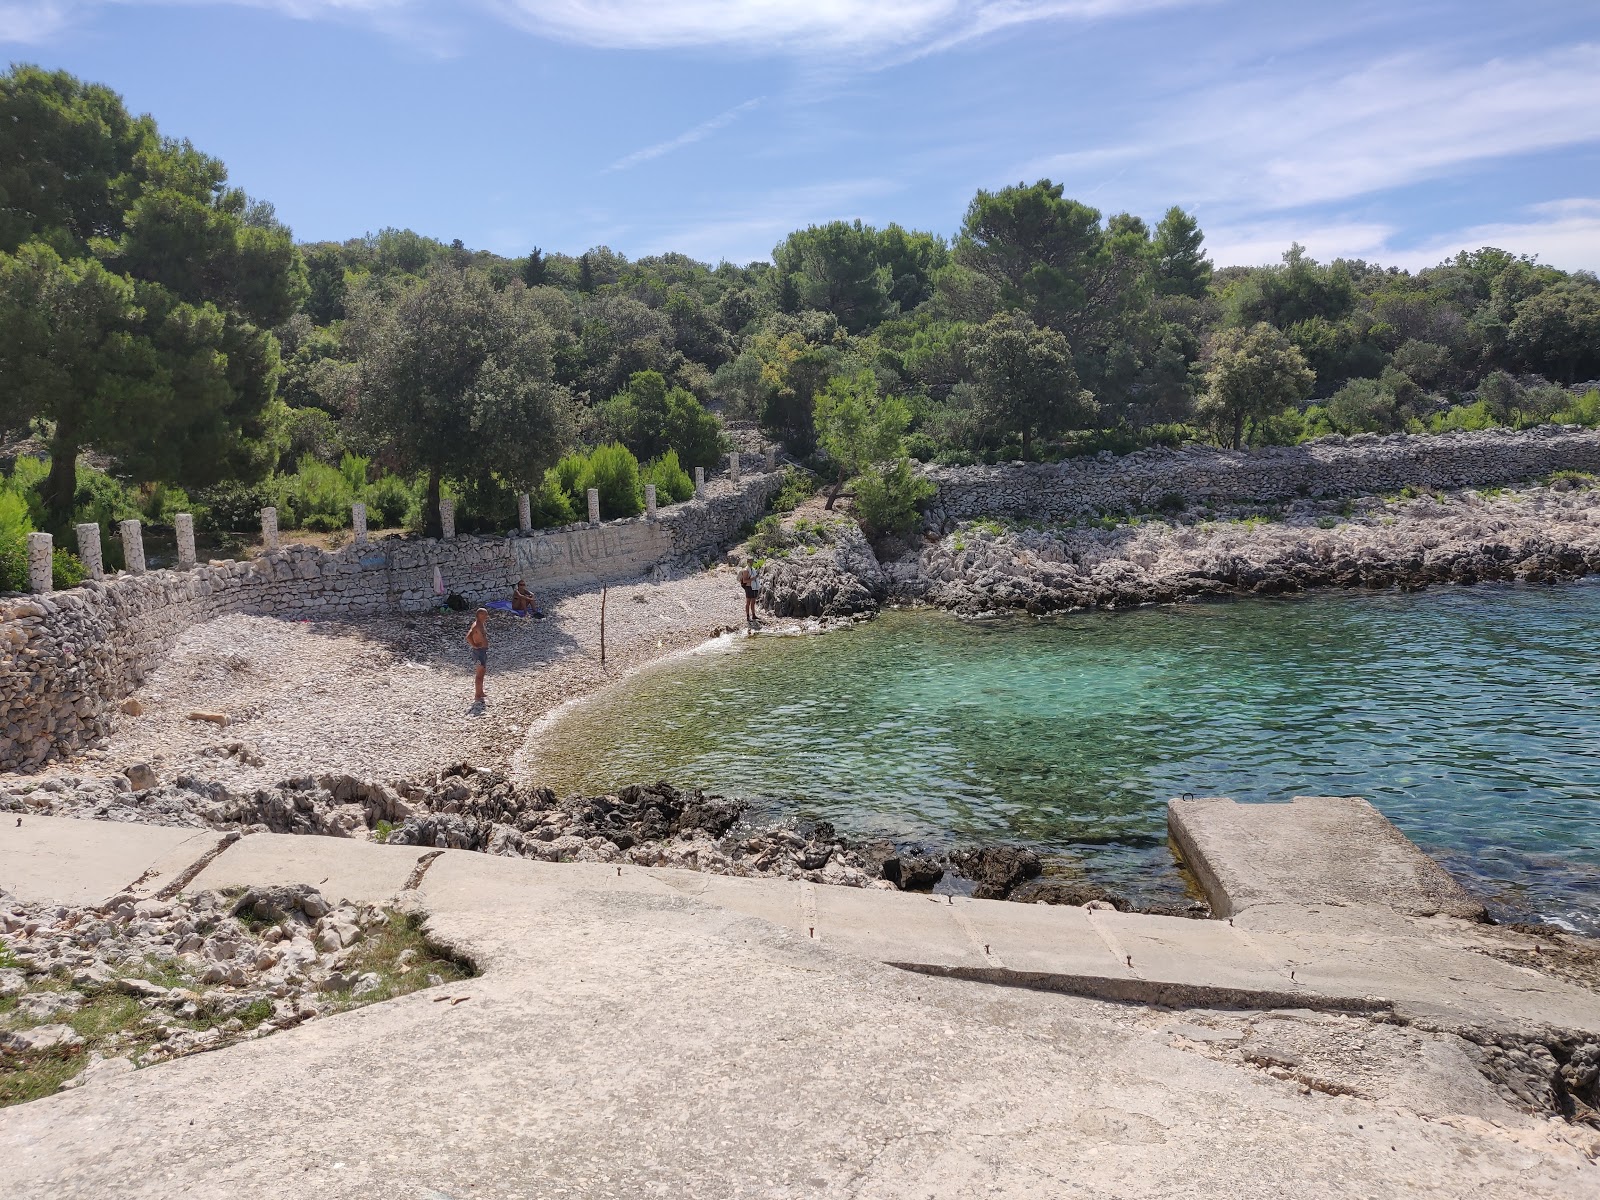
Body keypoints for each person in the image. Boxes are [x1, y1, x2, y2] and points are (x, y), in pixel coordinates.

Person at [466, 608, 489, 703]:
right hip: (478, 652)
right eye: (484, 614)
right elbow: (468, 636)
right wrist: (474, 645)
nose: (486, 616)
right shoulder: (476, 626)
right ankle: (477, 694)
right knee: (479, 674)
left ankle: (481, 692)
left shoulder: (481, 624)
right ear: (479, 615)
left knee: (482, 672)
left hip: (483, 651)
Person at [738, 562, 760, 626]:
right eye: (750, 561)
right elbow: (745, 581)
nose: (751, 562)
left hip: (754, 587)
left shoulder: (753, 569)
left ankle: (753, 615)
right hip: (748, 587)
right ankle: (748, 616)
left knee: (753, 602)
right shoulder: (746, 570)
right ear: (748, 562)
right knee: (748, 602)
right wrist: (753, 578)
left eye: (752, 561)